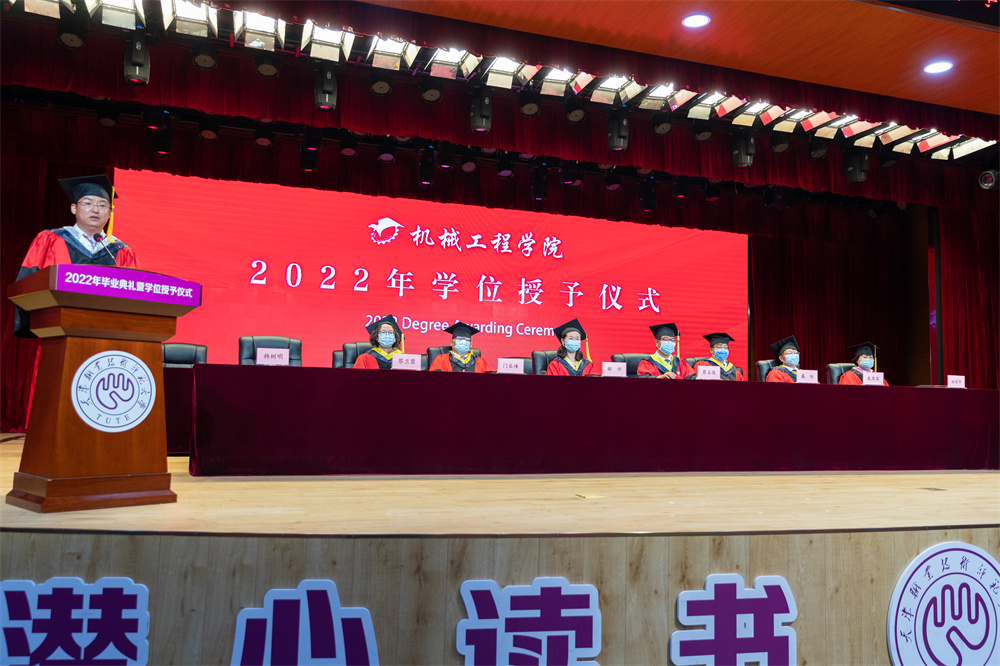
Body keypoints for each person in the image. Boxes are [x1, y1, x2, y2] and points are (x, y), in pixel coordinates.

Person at [14, 174, 140, 337]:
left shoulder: (121, 251)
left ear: (110, 213)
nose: (95, 209)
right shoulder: (50, 240)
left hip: (107, 332)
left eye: (102, 205)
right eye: (87, 203)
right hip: (57, 330)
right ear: (74, 208)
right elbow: (28, 283)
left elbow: (134, 296)